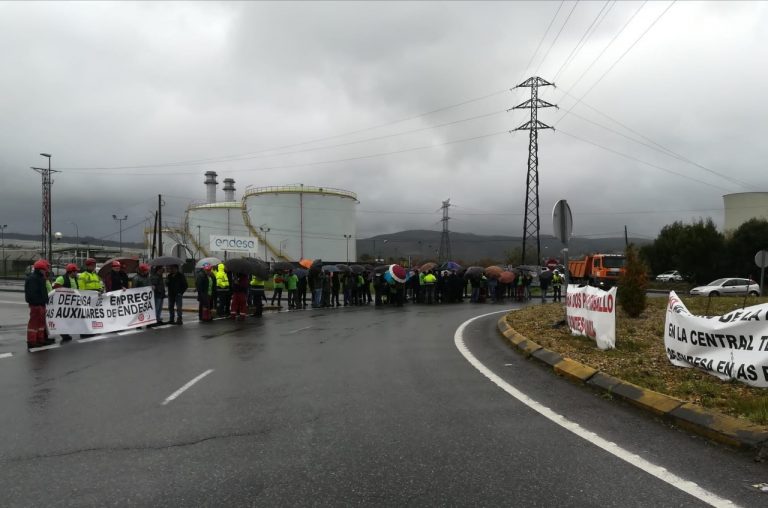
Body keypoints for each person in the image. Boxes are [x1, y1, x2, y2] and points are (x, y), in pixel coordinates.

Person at [25, 259, 54, 349]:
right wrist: (38, 302)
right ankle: (32, 341)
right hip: (36, 304)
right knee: (34, 323)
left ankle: (40, 339)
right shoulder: (33, 279)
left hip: (41, 304)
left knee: (41, 323)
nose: (47, 270)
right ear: (41, 269)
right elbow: (32, 293)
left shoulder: (40, 278)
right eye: (46, 269)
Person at [52, 263, 79, 342]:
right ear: (71, 271)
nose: (76, 273)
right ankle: (63, 333)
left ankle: (66, 331)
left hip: (72, 302)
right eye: (75, 271)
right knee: (64, 318)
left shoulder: (75, 279)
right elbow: (55, 289)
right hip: (63, 303)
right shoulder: (61, 278)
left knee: (69, 318)